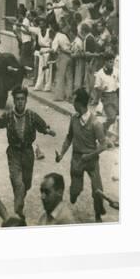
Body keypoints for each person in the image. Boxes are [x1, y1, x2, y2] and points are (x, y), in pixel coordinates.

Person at [0, 86, 56, 219]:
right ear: (14, 100)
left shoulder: (31, 115)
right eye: (17, 99)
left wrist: (48, 131)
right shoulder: (8, 115)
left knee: (26, 183)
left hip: (28, 153)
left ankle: (19, 197)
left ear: (26, 101)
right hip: (13, 152)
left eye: (22, 99)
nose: (20, 102)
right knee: (17, 182)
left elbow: (42, 126)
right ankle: (18, 208)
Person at [55, 88, 109, 222]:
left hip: (91, 160)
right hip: (77, 159)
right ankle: (75, 193)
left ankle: (98, 214)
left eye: (73, 100)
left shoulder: (96, 124)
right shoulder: (74, 118)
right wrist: (61, 154)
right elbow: (69, 137)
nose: (72, 103)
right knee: (74, 191)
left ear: (79, 103)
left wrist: (90, 156)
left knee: (97, 190)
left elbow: (104, 145)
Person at [92, 52, 119, 136]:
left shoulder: (116, 71)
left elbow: (119, 82)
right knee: (111, 117)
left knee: (119, 117)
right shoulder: (100, 73)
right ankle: (102, 128)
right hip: (106, 97)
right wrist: (102, 89)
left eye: (113, 62)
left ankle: (116, 136)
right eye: (110, 62)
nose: (112, 64)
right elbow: (96, 87)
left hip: (116, 95)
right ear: (105, 62)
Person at [51, 20, 73, 102]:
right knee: (69, 77)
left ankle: (59, 96)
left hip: (63, 56)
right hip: (70, 57)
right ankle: (69, 95)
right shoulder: (67, 36)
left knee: (60, 76)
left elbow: (54, 49)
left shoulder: (58, 36)